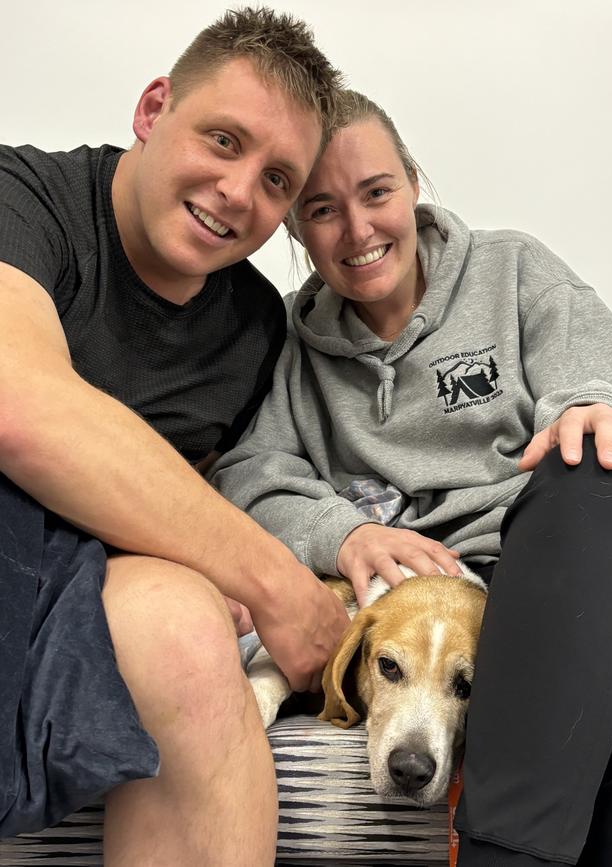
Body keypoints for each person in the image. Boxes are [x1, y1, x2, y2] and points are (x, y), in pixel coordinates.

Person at [212, 89, 612, 866]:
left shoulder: (511, 268)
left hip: (541, 581)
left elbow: (594, 363)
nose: (358, 230)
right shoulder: (285, 345)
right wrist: (343, 532)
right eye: (321, 209)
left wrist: (593, 404)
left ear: (413, 183)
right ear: (293, 227)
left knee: (601, 460)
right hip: (400, 597)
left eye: (377, 192)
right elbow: (247, 470)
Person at [0, 8, 352, 866]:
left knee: (189, 628)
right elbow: (18, 406)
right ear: (154, 110)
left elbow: (215, 492)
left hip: (94, 584)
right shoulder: (24, 197)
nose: (240, 193)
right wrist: (273, 581)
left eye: (277, 180)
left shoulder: (257, 330)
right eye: (223, 141)